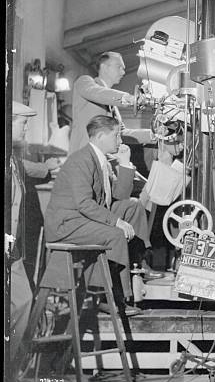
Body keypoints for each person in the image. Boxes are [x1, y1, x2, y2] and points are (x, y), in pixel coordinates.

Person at [44, 115, 154, 315]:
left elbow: (119, 196)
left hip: (83, 216)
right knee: (115, 234)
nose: (120, 142)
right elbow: (84, 203)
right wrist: (117, 222)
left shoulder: (101, 158)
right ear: (101, 136)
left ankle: (139, 264)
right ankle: (110, 296)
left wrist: (125, 164)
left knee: (134, 206)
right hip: (68, 222)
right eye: (116, 136)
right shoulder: (81, 160)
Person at [8, 102, 49, 368]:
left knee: (22, 301)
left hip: (14, 250)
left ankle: (9, 373)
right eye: (22, 122)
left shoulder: (12, 159)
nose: (26, 127)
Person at [69, 52, 135, 154]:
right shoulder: (85, 82)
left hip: (104, 163)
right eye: (119, 67)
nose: (123, 72)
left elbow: (122, 133)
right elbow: (94, 91)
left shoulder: (112, 104)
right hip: (83, 160)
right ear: (104, 67)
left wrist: (154, 135)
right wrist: (127, 98)